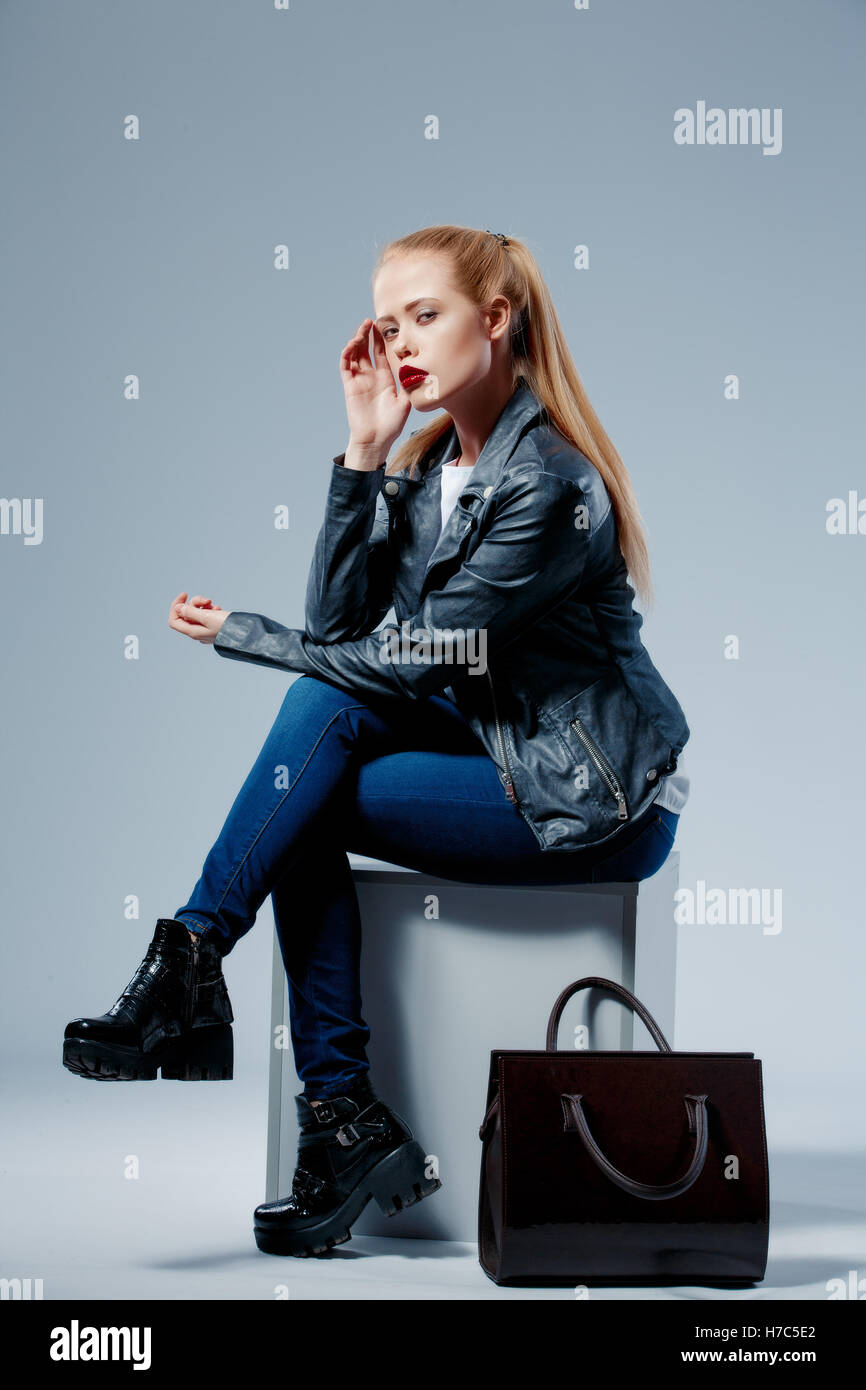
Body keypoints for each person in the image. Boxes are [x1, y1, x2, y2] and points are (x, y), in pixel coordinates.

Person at [63, 223, 690, 1259]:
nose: (400, 341)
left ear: (495, 321)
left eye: (425, 315)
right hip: (492, 747)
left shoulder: (549, 487)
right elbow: (349, 633)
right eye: (387, 320)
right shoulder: (434, 461)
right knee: (308, 762)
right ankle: (302, 1086)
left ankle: (274, 1053)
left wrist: (243, 635)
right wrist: (361, 452)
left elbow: (407, 661)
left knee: (301, 785)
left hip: (593, 799)